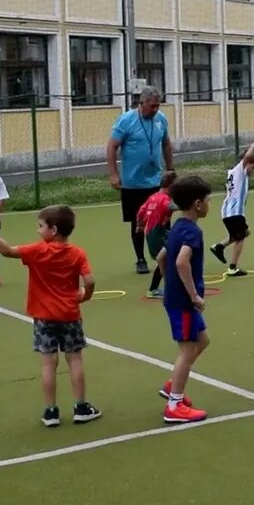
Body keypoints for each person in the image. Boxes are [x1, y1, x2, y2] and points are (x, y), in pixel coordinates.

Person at [0, 205, 101, 428]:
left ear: (52, 230)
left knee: (48, 363)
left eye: (40, 226)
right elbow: (90, 281)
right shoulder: (77, 253)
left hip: (44, 317)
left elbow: (7, 251)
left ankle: (51, 412)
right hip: (70, 314)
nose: (38, 231)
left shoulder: (38, 251)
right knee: (74, 359)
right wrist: (84, 296)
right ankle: (81, 407)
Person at [158, 175, 214, 424]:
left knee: (202, 340)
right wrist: (193, 295)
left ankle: (173, 386)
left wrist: (168, 282)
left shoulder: (177, 228)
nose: (209, 204)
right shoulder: (192, 232)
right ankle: (175, 405)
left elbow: (162, 257)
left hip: (174, 298)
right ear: (197, 204)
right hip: (184, 302)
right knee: (187, 348)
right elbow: (181, 261)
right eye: (208, 200)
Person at [107, 87, 174, 274]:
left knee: (164, 218)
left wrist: (170, 170)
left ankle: (164, 254)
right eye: (152, 106)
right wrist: (113, 174)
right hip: (133, 183)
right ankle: (140, 258)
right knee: (138, 221)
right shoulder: (126, 120)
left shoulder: (161, 119)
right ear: (141, 103)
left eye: (158, 106)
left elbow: (166, 144)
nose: (155, 109)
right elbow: (112, 146)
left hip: (157, 181)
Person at [210, 134, 254, 277]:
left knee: (245, 232)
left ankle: (219, 247)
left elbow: (250, 157)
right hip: (234, 212)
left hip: (229, 212)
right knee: (240, 237)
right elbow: (248, 157)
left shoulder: (233, 172)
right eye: (253, 167)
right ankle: (233, 267)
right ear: (246, 163)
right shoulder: (240, 170)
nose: (253, 171)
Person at [136, 170, 178, 299]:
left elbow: (140, 212)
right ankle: (156, 289)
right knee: (166, 260)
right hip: (157, 233)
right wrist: (188, 204)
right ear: (170, 186)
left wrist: (139, 226)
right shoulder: (165, 199)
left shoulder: (153, 197)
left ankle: (159, 288)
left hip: (154, 232)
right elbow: (171, 206)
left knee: (169, 257)